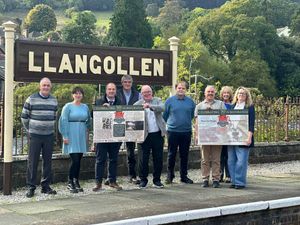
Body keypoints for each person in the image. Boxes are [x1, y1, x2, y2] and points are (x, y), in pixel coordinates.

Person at [21, 77, 58, 198]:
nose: (46, 87)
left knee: (48, 162)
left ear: (50, 87)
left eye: (48, 85)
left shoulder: (54, 100)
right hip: (35, 135)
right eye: (44, 85)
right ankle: (31, 187)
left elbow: (54, 116)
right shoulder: (31, 98)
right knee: (33, 162)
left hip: (49, 135)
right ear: (40, 86)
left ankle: (45, 186)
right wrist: (30, 130)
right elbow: (24, 117)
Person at [59, 87, 91, 193]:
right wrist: (65, 135)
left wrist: (88, 133)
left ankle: (76, 180)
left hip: (81, 133)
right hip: (71, 133)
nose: (78, 95)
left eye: (80, 93)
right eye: (76, 93)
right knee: (75, 159)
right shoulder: (67, 107)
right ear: (73, 95)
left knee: (79, 159)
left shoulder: (85, 107)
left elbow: (88, 121)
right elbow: (63, 120)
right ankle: (70, 181)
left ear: (82, 95)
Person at [163, 81, 195, 184]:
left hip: (186, 132)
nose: (181, 90)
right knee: (171, 154)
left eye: (183, 88)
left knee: (184, 155)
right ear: (176, 89)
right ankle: (169, 176)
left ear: (186, 90)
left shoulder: (191, 102)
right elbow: (165, 116)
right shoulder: (169, 101)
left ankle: (183, 176)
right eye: (179, 88)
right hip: (173, 132)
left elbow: (191, 116)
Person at [134, 85, 166, 188]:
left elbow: (162, 108)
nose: (147, 94)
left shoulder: (157, 100)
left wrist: (150, 106)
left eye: (149, 92)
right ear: (141, 94)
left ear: (152, 92)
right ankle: (143, 180)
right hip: (144, 135)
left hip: (157, 134)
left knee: (158, 158)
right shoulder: (137, 104)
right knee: (143, 159)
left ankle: (157, 180)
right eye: (144, 92)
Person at [92, 83, 123, 191]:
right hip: (102, 135)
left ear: (115, 91)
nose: (111, 91)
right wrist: (101, 109)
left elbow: (123, 116)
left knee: (113, 159)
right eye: (109, 89)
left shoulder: (120, 102)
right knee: (100, 159)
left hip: (115, 135)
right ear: (106, 91)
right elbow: (93, 115)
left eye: (113, 89)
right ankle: (98, 183)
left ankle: (112, 181)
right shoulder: (99, 101)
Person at [195, 85, 226, 188]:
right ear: (205, 93)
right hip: (204, 136)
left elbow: (224, 119)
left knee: (216, 159)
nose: (210, 93)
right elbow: (196, 122)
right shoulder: (199, 106)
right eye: (208, 91)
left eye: (212, 92)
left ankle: (216, 179)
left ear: (215, 93)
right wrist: (197, 135)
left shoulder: (221, 104)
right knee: (205, 159)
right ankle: (205, 179)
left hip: (217, 136)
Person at [227, 87, 255, 189]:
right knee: (231, 160)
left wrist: (249, 137)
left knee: (241, 161)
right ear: (236, 95)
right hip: (231, 137)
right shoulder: (232, 106)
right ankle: (234, 181)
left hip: (243, 137)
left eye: (243, 94)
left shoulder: (249, 107)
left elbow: (251, 123)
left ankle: (240, 182)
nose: (241, 95)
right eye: (239, 93)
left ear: (247, 96)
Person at [117, 74, 141, 184]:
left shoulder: (137, 94)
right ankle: (111, 177)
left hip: (132, 125)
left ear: (132, 83)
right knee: (113, 152)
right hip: (118, 124)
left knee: (131, 152)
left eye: (129, 82)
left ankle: (132, 175)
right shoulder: (117, 93)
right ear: (122, 83)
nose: (127, 84)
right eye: (125, 82)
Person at [219, 86, 233, 183]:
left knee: (228, 155)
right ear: (222, 94)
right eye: (224, 93)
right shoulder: (219, 105)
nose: (226, 95)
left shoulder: (233, 105)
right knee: (220, 155)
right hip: (220, 132)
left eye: (228, 93)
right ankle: (219, 175)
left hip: (230, 132)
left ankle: (228, 175)